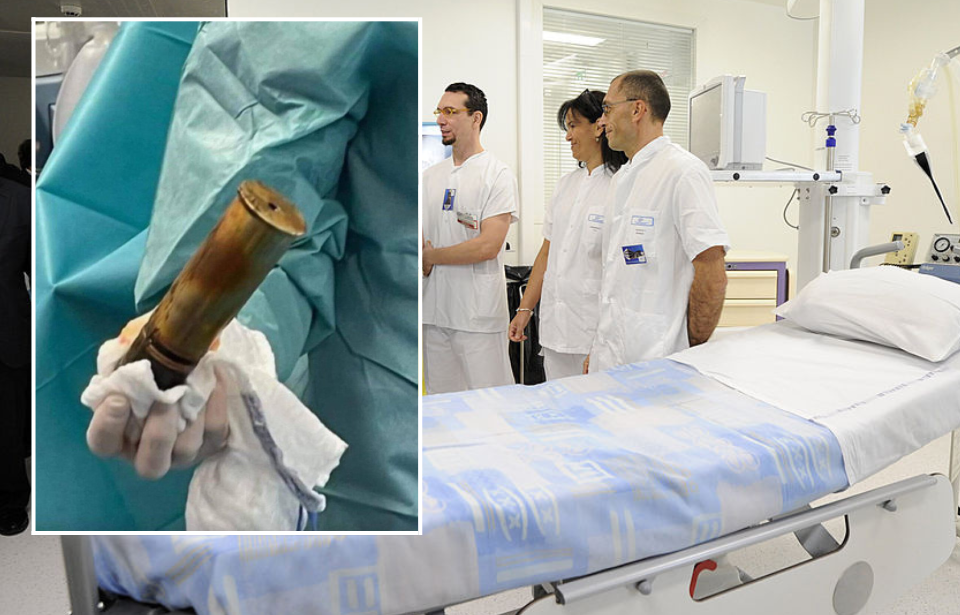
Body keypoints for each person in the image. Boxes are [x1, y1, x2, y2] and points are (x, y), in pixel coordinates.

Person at [586, 70, 729, 374]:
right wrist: (598, 349)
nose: (602, 121)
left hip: (660, 360)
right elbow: (616, 276)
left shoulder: (683, 172)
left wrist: (693, 347)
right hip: (611, 357)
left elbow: (711, 268)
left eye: (608, 109)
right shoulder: (622, 178)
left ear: (638, 109)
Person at [507, 90, 626, 379]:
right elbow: (547, 252)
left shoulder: (621, 186)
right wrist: (525, 310)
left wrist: (602, 341)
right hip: (556, 327)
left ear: (599, 126)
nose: (567, 136)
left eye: (573, 126)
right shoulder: (565, 186)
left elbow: (621, 273)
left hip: (595, 333)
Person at [422, 82, 519, 394]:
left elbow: (488, 246)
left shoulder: (497, 174)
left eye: (450, 112)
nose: (441, 119)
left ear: (476, 118)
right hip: (434, 314)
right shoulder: (430, 177)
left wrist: (432, 256)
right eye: (440, 111)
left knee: (491, 407)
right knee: (441, 411)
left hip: (477, 318)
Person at [0, 176, 31, 536]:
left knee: (6, 423)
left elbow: (36, 272)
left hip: (5, 327)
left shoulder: (20, 201)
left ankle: (9, 498)